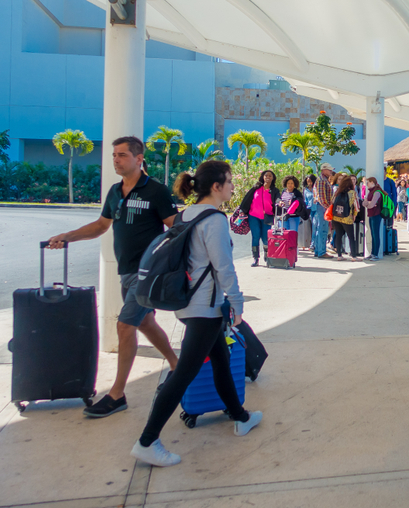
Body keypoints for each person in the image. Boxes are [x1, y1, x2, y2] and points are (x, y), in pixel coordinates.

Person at [130, 160, 262, 467]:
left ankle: (240, 416)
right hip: (205, 307)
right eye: (229, 182)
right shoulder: (215, 220)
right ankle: (147, 440)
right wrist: (238, 304)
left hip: (189, 304)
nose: (232, 186)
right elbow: (223, 267)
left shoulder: (185, 214)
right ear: (216, 187)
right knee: (184, 374)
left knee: (221, 358)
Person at [46, 136, 179, 418]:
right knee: (144, 321)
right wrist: (67, 236)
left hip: (148, 272)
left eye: (121, 155)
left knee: (124, 325)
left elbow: (174, 229)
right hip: (127, 271)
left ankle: (117, 394)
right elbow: (101, 226)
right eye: (114, 155)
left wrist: (168, 264)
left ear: (139, 159)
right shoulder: (115, 192)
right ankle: (176, 364)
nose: (116, 160)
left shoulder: (156, 191)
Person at [239, 170, 279, 267]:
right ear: (263, 177)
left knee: (266, 238)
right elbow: (247, 198)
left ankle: (267, 255)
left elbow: (277, 198)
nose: (268, 177)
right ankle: (256, 259)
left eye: (270, 176)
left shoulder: (274, 190)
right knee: (255, 237)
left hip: (267, 217)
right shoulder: (256, 188)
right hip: (253, 216)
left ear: (273, 178)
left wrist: (280, 202)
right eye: (266, 175)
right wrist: (242, 210)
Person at [330, 174, 360, 261]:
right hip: (347, 217)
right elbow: (356, 206)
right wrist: (354, 215)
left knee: (339, 235)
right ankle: (353, 256)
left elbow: (332, 202)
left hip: (336, 217)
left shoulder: (337, 192)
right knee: (351, 237)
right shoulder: (352, 193)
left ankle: (339, 255)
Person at [312, 164, 335, 259]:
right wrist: (328, 208)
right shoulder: (321, 180)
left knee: (320, 229)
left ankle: (318, 250)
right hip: (323, 207)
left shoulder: (322, 180)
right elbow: (321, 197)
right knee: (323, 229)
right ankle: (321, 251)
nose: (330, 172)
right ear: (324, 170)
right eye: (329, 170)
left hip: (321, 207)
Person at [363, 176, 385, 261]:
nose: (366, 184)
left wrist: (367, 203)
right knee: (373, 234)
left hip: (376, 215)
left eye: (368, 182)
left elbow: (371, 204)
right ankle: (372, 253)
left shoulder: (376, 192)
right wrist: (368, 203)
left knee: (375, 234)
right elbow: (365, 203)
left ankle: (375, 254)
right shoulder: (371, 192)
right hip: (371, 214)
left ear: (372, 182)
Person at [300, 174, 316, 251]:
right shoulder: (306, 190)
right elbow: (305, 201)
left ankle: (313, 244)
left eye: (310, 181)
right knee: (310, 228)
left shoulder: (316, 189)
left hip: (316, 209)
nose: (309, 183)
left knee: (315, 226)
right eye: (308, 181)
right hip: (309, 210)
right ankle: (310, 243)